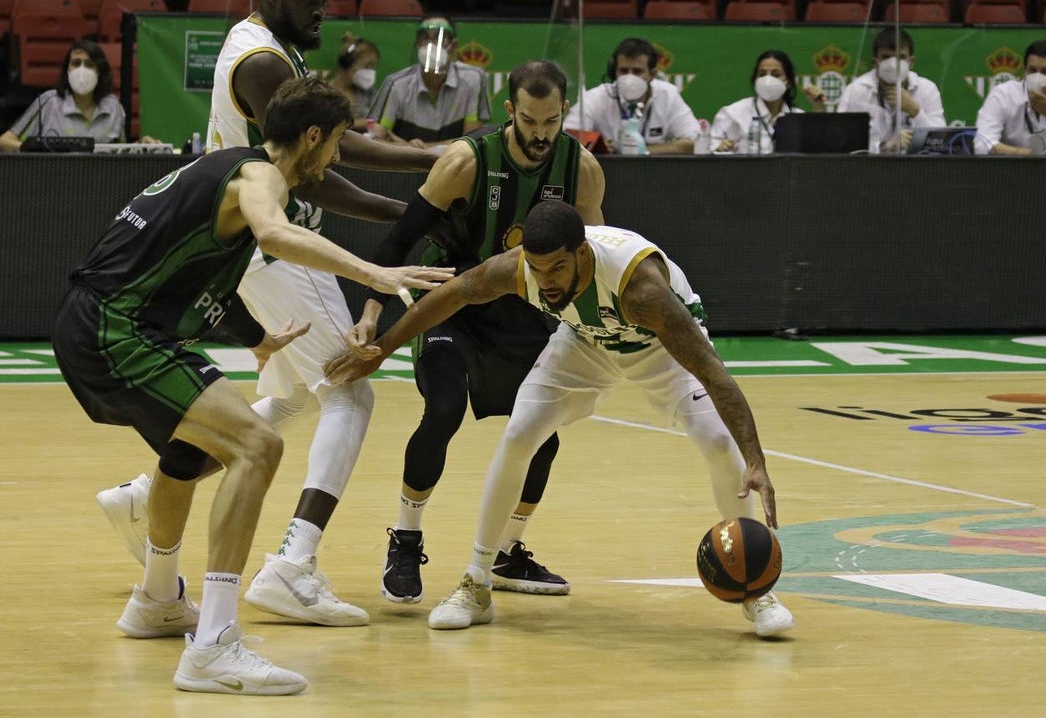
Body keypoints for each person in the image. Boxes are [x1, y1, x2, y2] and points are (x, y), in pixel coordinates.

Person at [53, 77, 452, 695]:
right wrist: (372, 269)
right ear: (312, 136)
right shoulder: (259, 176)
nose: (339, 156)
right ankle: (213, 645)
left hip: (102, 324)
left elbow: (202, 267)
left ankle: (157, 598)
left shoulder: (221, 170)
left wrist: (256, 339)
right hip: (116, 328)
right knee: (258, 446)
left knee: (190, 454)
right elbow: (270, 234)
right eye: (339, 141)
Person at [95, 0, 438, 629]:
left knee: (292, 395)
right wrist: (432, 175)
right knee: (351, 390)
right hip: (273, 248)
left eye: (328, 2)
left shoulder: (267, 46)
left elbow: (324, 160)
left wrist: (418, 189)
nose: (323, 14)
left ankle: (145, 495)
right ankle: (292, 564)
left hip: (254, 250)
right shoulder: (258, 63)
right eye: (312, 2)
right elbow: (318, 173)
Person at [326, 201, 795, 639]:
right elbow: (453, 296)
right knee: (520, 433)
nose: (545, 281)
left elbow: (714, 373)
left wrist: (755, 459)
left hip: (658, 352)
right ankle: (477, 582)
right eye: (536, 268)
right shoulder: (521, 268)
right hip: (586, 345)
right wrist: (382, 349)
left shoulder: (642, 289)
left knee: (717, 441)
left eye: (558, 268)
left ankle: (756, 588)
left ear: (583, 253)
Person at [345, 60, 605, 604]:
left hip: (528, 312)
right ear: (509, 111)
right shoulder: (465, 161)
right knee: (443, 408)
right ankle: (406, 537)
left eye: (552, 121)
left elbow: (596, 255)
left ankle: (508, 553)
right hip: (454, 302)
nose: (541, 133)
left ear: (564, 114)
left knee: (543, 433)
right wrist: (371, 312)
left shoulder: (580, 168)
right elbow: (399, 242)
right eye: (531, 120)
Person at [366, 15, 491, 150]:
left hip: (452, 164)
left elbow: (471, 142)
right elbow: (374, 140)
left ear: (454, 46)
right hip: (404, 166)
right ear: (417, 44)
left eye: (440, 39)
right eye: (425, 38)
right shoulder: (396, 84)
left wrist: (416, 148)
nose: (431, 46)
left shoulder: (474, 79)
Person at [563, 37, 700, 155]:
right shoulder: (596, 97)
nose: (629, 77)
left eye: (637, 71)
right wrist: (595, 146)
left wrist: (641, 151)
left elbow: (693, 142)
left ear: (652, 74)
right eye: (623, 71)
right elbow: (568, 137)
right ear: (614, 73)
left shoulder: (668, 95)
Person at [0, 40, 127, 151]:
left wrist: (142, 145)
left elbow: (123, 153)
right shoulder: (49, 102)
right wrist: (32, 150)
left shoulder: (113, 106)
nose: (81, 70)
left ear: (99, 71)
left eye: (89, 64)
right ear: (68, 70)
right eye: (76, 63)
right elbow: (4, 141)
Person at [974, 40, 1046, 156]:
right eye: (1032, 70)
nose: (1037, 77)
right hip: (1013, 170)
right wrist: (1033, 156)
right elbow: (982, 146)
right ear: (1024, 71)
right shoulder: (1002, 95)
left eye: (1045, 72)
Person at [837, 27, 945, 154]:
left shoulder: (927, 89)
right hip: (871, 168)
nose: (893, 65)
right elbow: (842, 143)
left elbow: (943, 143)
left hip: (917, 168)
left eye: (901, 57)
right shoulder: (856, 90)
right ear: (875, 62)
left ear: (911, 61)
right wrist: (884, 147)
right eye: (886, 57)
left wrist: (915, 111)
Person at [709, 50, 826, 154]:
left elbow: (818, 153)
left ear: (788, 81)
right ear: (755, 79)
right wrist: (719, 149)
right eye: (762, 74)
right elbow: (711, 149)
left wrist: (818, 107)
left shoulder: (798, 118)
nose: (768, 80)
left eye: (776, 75)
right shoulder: (734, 113)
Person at [325, 32, 380, 133]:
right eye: (367, 66)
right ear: (347, 64)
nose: (371, 72)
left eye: (373, 67)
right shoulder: (325, 93)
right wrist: (362, 123)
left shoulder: (368, 93)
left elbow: (378, 123)